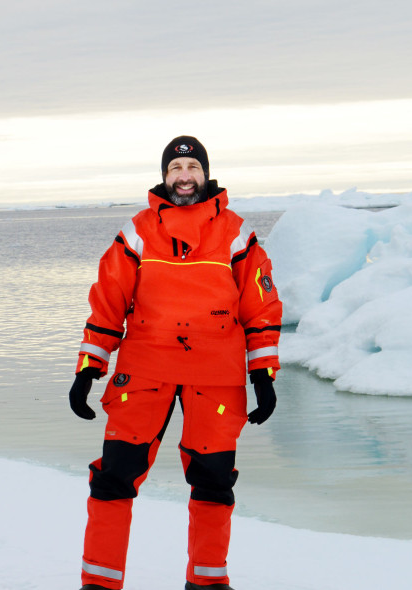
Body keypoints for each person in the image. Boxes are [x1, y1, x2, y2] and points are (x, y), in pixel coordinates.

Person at [69, 136, 282, 590]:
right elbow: (108, 300)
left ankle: (208, 583)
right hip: (145, 371)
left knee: (213, 484)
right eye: (175, 168)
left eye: (192, 167)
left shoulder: (237, 233)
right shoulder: (137, 231)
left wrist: (262, 374)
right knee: (114, 478)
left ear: (205, 174)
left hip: (216, 376)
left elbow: (261, 308)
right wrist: (90, 367)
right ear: (165, 176)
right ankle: (99, 584)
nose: (184, 176)